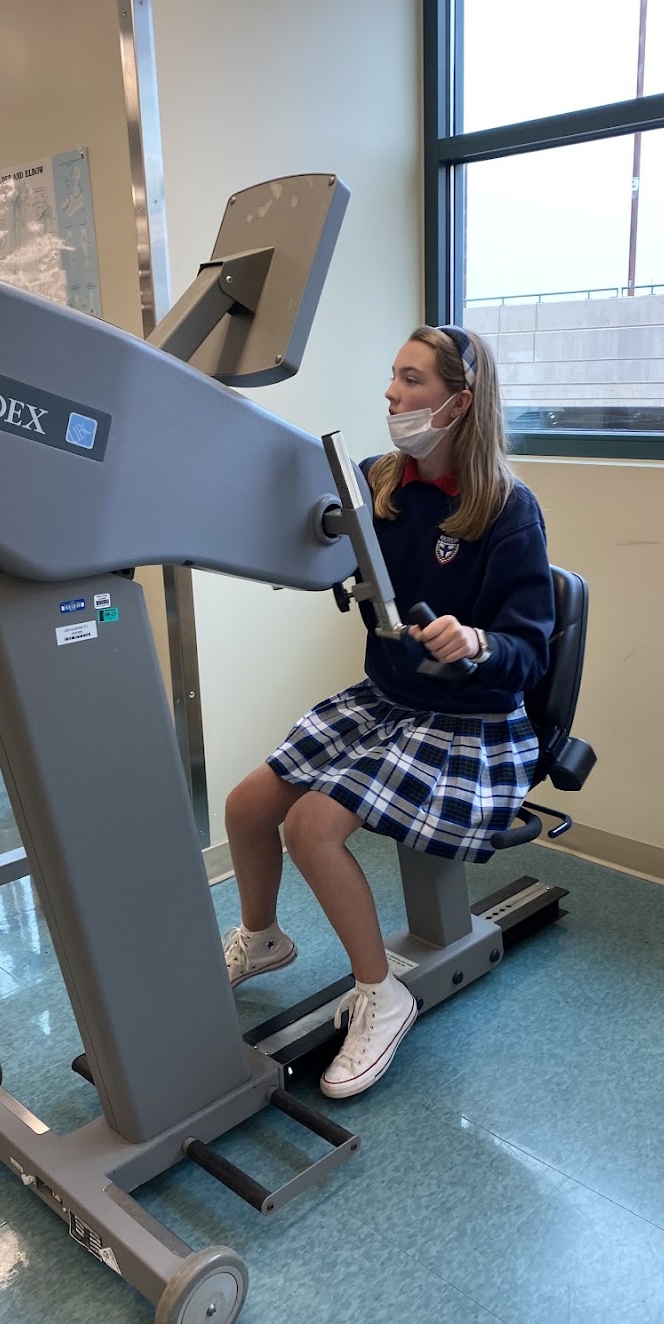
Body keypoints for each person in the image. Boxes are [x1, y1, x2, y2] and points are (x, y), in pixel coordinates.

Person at [222, 325, 555, 1100]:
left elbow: (529, 652)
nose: (391, 393)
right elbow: (315, 546)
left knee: (312, 826)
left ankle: (382, 993)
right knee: (246, 807)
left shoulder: (507, 508)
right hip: (390, 699)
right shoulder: (377, 481)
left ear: (458, 403)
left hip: (474, 719)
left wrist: (478, 640)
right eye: (393, 376)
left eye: (411, 379)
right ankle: (263, 937)